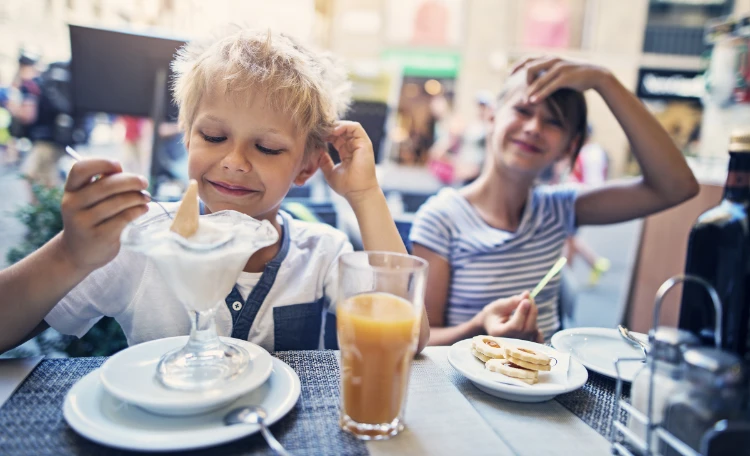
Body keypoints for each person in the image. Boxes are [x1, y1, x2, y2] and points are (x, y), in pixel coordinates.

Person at [0, 28, 429, 355]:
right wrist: (71, 255)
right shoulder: (138, 241)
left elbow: (408, 339)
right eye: (213, 136)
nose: (235, 161)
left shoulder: (322, 254)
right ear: (187, 137)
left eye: (266, 147)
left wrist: (366, 194)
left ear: (306, 166)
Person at [410, 56, 699, 346]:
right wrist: (479, 328)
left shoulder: (557, 209)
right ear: (491, 117)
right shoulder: (441, 218)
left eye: (553, 122)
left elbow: (676, 186)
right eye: (523, 110)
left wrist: (605, 81)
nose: (534, 127)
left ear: (570, 146)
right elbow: (420, 338)